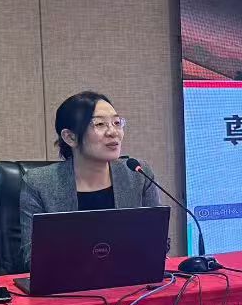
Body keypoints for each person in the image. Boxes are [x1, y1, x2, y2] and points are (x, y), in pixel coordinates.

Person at [17, 91, 165, 270]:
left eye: (117, 123)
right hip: (68, 285)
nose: (113, 132)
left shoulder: (137, 174)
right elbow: (33, 259)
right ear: (70, 137)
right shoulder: (39, 184)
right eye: (100, 124)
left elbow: (158, 243)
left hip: (131, 281)